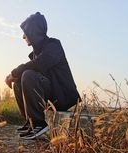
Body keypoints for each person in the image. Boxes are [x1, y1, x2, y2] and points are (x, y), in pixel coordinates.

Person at [5, 12, 81, 140]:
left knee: (27, 74)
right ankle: (31, 122)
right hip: (50, 93)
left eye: (26, 33)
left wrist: (13, 73)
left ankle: (39, 124)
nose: (23, 37)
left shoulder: (54, 45)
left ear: (34, 32)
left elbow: (39, 64)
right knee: (19, 80)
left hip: (61, 97)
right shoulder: (36, 52)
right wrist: (16, 76)